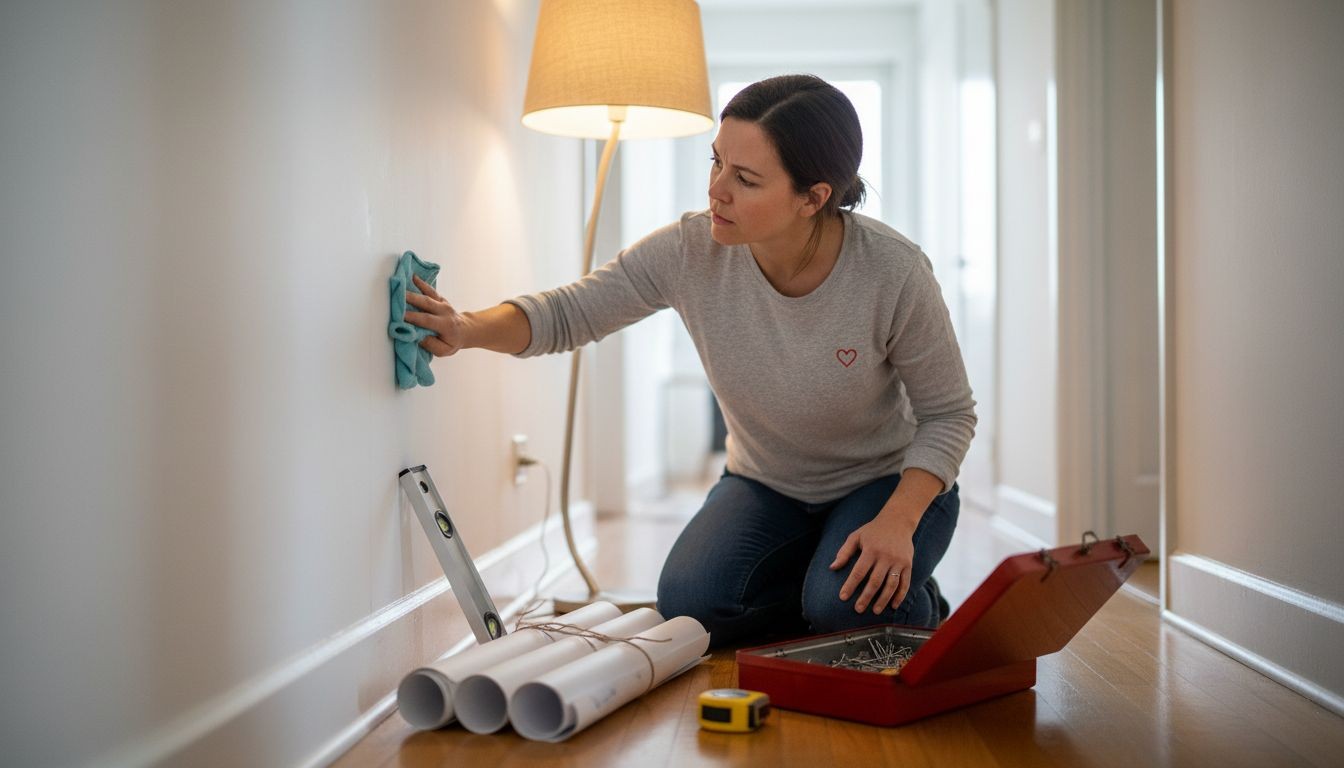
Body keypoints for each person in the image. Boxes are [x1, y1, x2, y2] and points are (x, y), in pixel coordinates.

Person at [404, 74, 976, 648]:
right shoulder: (690, 249)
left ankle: (909, 601)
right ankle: (825, 587)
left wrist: (899, 522)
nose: (717, 191)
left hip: (887, 484)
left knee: (843, 615)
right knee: (691, 609)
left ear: (813, 197)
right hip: (765, 481)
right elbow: (569, 313)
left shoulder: (894, 273)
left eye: (746, 179)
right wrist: (465, 328)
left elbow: (950, 414)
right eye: (717, 163)